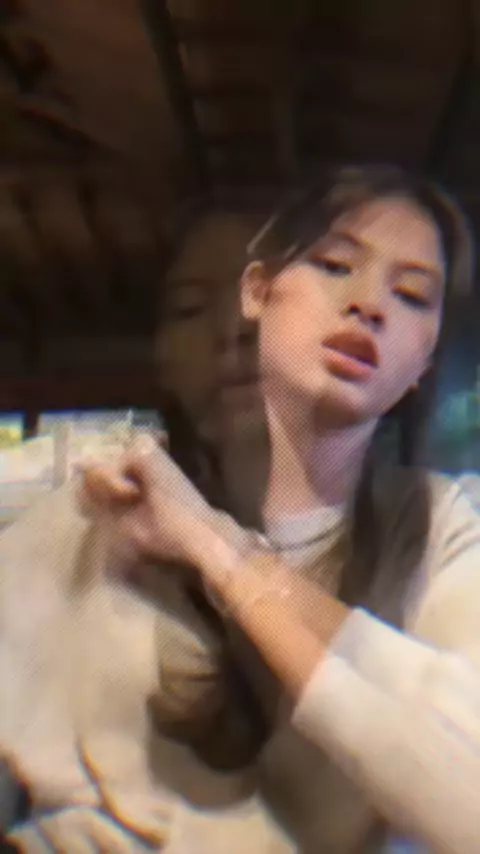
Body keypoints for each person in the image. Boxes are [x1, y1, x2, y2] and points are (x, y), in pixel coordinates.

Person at [80, 165, 480, 854]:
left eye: (413, 295)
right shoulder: (117, 508)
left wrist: (221, 554)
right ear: (258, 292)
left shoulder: (445, 524)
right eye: (334, 265)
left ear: (424, 363)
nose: (369, 305)